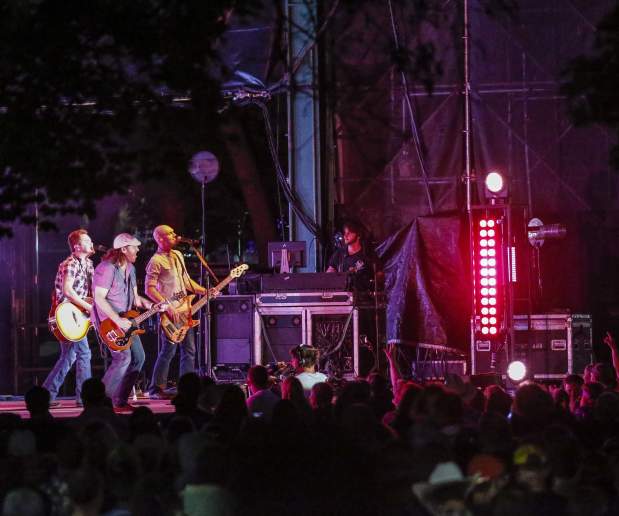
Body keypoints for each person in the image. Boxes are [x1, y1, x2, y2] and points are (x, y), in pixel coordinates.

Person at [92, 233, 160, 412]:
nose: (138, 249)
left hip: (127, 322)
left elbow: (136, 299)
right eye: (134, 247)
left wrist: (153, 305)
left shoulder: (130, 268)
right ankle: (99, 403)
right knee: (123, 358)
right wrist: (117, 320)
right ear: (123, 249)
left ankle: (120, 400)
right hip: (109, 322)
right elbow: (99, 298)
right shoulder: (106, 268)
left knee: (139, 358)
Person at [145, 225, 208, 399]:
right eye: (170, 233)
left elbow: (187, 282)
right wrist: (168, 306)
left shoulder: (178, 255)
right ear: (160, 239)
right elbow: (149, 289)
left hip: (184, 310)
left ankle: (185, 388)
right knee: (169, 350)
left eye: (174, 232)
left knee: (190, 350)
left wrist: (205, 291)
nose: (175, 235)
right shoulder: (155, 261)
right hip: (170, 313)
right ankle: (155, 388)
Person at [43, 229, 94, 407]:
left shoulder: (88, 264)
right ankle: (85, 399)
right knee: (84, 353)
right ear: (77, 246)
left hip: (77, 316)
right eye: (87, 241)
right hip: (66, 315)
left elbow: (92, 292)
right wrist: (88, 306)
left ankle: (46, 396)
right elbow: (67, 290)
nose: (91, 243)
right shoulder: (70, 263)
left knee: (68, 357)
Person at [326, 219, 378, 290]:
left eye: (349, 233)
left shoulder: (368, 254)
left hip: (364, 296)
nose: (345, 235)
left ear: (358, 235)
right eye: (345, 233)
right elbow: (330, 271)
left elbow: (378, 275)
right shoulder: (339, 253)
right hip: (343, 296)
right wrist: (331, 276)